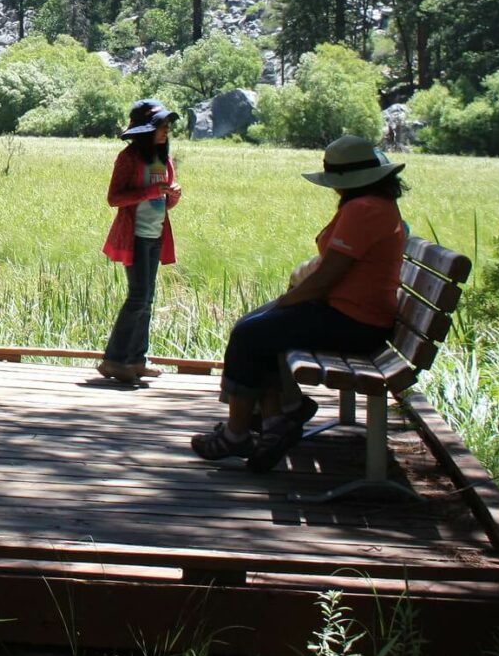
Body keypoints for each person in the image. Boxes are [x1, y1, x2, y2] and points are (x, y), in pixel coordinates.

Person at [189, 135, 407, 472]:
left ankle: (239, 434)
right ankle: (277, 420)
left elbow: (327, 277)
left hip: (354, 322)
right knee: (255, 329)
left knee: (251, 334)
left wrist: (285, 302)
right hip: (355, 315)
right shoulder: (375, 205)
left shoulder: (363, 209)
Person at [98, 99, 181, 384]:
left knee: (147, 298)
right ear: (147, 130)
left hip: (155, 234)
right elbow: (114, 198)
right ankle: (114, 360)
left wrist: (172, 199)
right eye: (161, 125)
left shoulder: (164, 160)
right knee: (137, 296)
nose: (166, 130)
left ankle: (136, 360)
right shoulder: (128, 158)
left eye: (168, 126)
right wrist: (148, 192)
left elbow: (159, 202)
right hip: (134, 236)